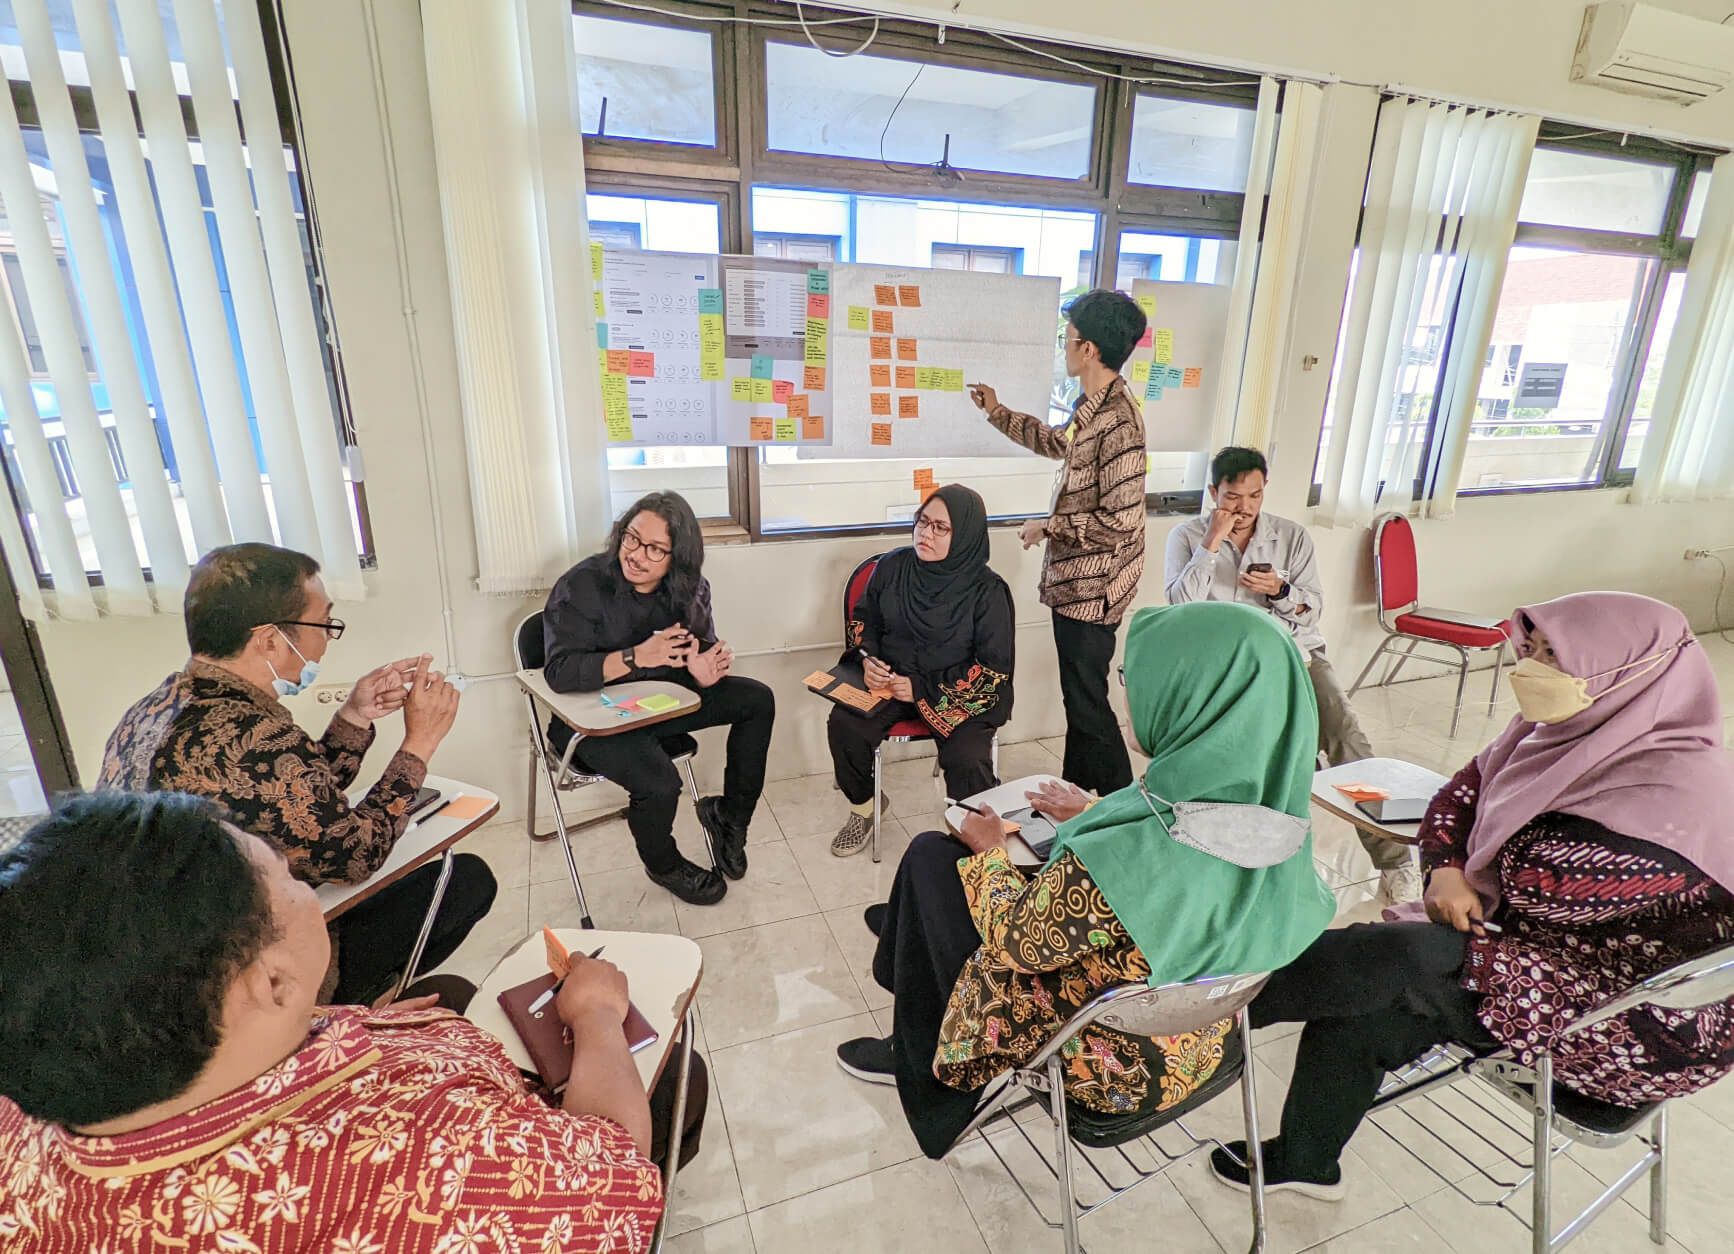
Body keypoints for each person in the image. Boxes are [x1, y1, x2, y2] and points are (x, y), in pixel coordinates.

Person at [0, 791, 692, 1251]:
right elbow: (617, 1170)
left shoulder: (30, 1108)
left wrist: (347, 1025)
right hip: (516, 1155)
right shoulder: (446, 1172)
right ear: (268, 982)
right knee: (678, 1077)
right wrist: (598, 1015)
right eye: (290, 880)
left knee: (447, 985)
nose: (307, 888)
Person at [1211, 592, 1734, 1201]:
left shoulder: (1673, 797)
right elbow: (1459, 794)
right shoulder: (1562, 735)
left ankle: (1205, 1023)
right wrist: (1446, 868)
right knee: (1373, 986)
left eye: (1554, 658)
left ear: (1626, 674)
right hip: (1550, 960)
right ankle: (1303, 1155)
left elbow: (1533, 887)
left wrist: (1464, 857)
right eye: (1530, 649)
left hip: (1631, 1025)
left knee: (1400, 957)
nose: (1529, 669)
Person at [835, 602, 1338, 1159]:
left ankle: (924, 1066)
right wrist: (1096, 812)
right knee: (932, 883)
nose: (1127, 691)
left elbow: (1014, 941)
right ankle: (902, 954)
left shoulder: (1129, 864)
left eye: (1137, 677)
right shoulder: (1277, 819)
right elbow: (1174, 828)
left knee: (935, 857)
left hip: (1106, 1062)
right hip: (1203, 1041)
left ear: (1196, 695)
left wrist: (988, 851)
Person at [99, 542, 492, 1006]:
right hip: (238, 985)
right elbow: (355, 856)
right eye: (323, 623)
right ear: (269, 640)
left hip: (154, 961)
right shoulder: (253, 734)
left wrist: (355, 715)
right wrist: (419, 744)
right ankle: (337, 1015)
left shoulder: (154, 709)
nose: (327, 637)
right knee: (466, 880)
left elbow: (293, 800)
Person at [1165, 445, 1416, 905]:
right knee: (1236, 759)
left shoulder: (1291, 537)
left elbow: (1313, 608)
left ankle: (1396, 862)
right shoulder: (1187, 536)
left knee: (1348, 741)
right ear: (1212, 492)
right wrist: (1211, 545)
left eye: (1255, 497)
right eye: (1233, 497)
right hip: (1226, 666)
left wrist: (1281, 591)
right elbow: (1180, 609)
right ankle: (1225, 864)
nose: (1243, 509)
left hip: (1294, 654)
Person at [543, 490, 774, 906]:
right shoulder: (582, 585)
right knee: (660, 782)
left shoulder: (689, 588)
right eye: (631, 538)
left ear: (677, 558)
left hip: (659, 706)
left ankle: (730, 819)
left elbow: (699, 651)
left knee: (758, 700)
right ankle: (663, 864)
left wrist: (704, 671)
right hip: (592, 720)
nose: (635, 554)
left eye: (654, 549)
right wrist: (633, 657)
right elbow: (559, 673)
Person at [969, 288, 1148, 797]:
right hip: (1075, 584)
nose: (1063, 347)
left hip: (1095, 591)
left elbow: (1123, 521)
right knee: (1079, 698)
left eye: (1067, 338)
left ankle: (1116, 807)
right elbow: (1057, 443)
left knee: (1088, 701)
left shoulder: (1120, 424)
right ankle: (1077, 792)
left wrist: (1049, 527)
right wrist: (998, 412)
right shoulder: (1093, 408)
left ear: (1088, 348)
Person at [828, 484, 1015, 856]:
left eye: (940, 528)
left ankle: (973, 845)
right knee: (844, 724)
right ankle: (865, 807)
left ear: (964, 535)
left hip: (956, 693)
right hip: (891, 682)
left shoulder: (988, 592)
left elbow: (993, 669)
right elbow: (864, 622)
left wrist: (922, 688)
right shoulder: (893, 567)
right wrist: (869, 662)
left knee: (967, 760)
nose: (925, 534)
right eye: (922, 522)